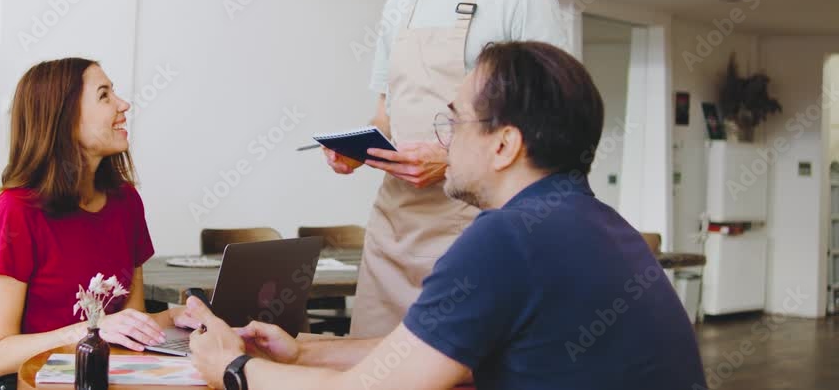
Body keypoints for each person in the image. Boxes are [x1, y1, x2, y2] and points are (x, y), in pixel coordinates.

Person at [187, 41, 707, 390]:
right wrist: (303, 352)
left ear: (504, 144)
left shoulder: (508, 238)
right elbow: (421, 352)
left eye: (454, 122)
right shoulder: (597, 225)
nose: (444, 139)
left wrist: (233, 367)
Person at [324, 0, 569, 338]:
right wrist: (358, 148)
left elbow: (553, 121)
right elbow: (386, 113)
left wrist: (450, 158)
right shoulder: (399, 5)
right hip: (393, 231)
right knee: (369, 366)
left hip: (474, 228)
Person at [0, 58, 182, 390]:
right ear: (65, 118)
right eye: (104, 95)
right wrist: (91, 329)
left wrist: (175, 319)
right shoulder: (15, 212)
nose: (123, 104)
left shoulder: (126, 202)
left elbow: (131, 324)